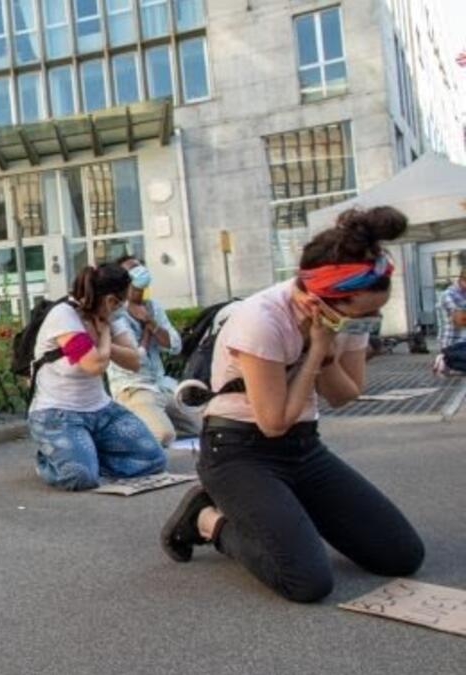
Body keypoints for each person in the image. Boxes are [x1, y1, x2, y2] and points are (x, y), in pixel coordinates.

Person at [161, 206, 424, 603]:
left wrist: (329, 349)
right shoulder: (262, 319)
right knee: (307, 581)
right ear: (321, 301)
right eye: (363, 315)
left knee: (402, 555)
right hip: (238, 452)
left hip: (304, 448)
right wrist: (315, 351)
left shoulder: (347, 316)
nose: (370, 324)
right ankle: (206, 519)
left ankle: (285, 508)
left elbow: (344, 393)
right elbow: (273, 422)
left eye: (376, 314)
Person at [27, 263, 167, 491]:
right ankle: (49, 460)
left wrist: (103, 342)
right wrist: (103, 336)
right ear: (110, 300)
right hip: (57, 414)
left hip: (101, 411)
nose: (119, 310)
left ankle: (85, 455)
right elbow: (93, 365)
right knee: (80, 478)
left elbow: (134, 361)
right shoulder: (64, 316)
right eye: (119, 303)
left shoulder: (112, 316)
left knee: (153, 459)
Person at [107, 256, 201, 447]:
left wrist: (151, 323)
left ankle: (153, 417)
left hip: (161, 385)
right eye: (132, 269)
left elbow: (175, 345)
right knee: (163, 435)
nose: (139, 270)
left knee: (207, 425)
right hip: (134, 388)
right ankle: (124, 431)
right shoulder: (116, 313)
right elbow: (135, 360)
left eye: (140, 266)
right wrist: (148, 331)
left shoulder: (153, 307)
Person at [434, 266, 466, 374]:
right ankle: (445, 360)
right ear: (462, 281)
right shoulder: (448, 295)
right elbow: (460, 321)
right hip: (452, 343)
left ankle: (449, 363)